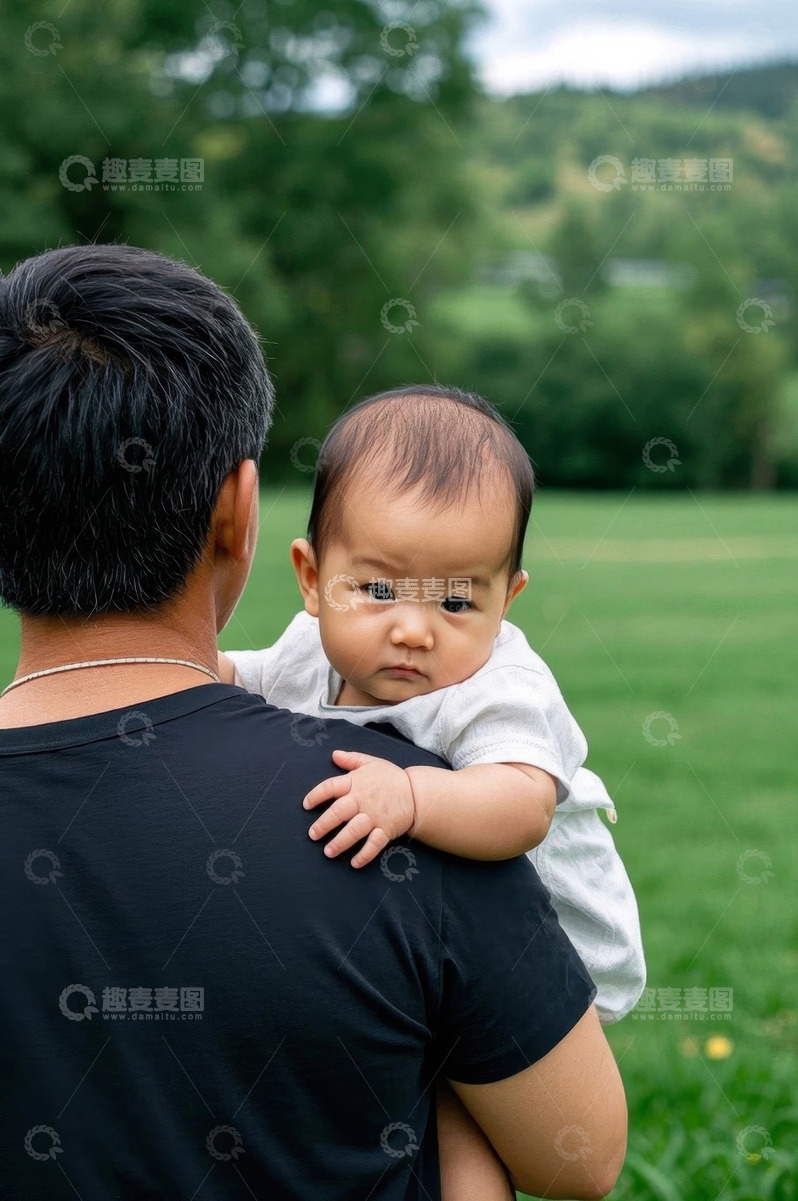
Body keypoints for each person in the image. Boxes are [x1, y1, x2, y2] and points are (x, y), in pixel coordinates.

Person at [0, 243, 627, 1200]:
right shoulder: (380, 814)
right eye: (379, 587)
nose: (411, 627)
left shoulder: (447, 770)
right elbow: (581, 1160)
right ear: (240, 512)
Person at [220, 383, 645, 1197]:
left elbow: (522, 804)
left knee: (456, 1102)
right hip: (436, 945)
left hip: (552, 946)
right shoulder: (312, 645)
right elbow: (247, 676)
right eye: (378, 590)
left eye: (456, 600)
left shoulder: (497, 686)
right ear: (312, 576)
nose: (414, 628)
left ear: (506, 599)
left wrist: (413, 796)